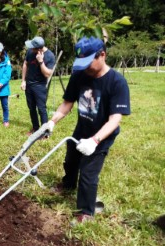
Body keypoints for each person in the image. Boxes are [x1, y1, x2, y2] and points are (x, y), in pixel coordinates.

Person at [47, 36, 131, 224]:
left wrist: (95, 140)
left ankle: (86, 212)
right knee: (71, 160)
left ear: (102, 55)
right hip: (81, 129)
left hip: (102, 136)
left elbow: (115, 119)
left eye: (88, 62)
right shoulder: (79, 75)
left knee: (88, 173)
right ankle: (68, 184)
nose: (85, 67)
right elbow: (67, 104)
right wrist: (52, 122)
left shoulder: (117, 82)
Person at [21, 36, 55, 135]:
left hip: (40, 86)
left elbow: (48, 74)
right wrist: (23, 81)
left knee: (41, 109)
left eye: (33, 47)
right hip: (29, 85)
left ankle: (45, 133)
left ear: (39, 49)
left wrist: (41, 61)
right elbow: (25, 64)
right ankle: (35, 128)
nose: (31, 49)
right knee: (31, 108)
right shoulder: (30, 52)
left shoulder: (50, 56)